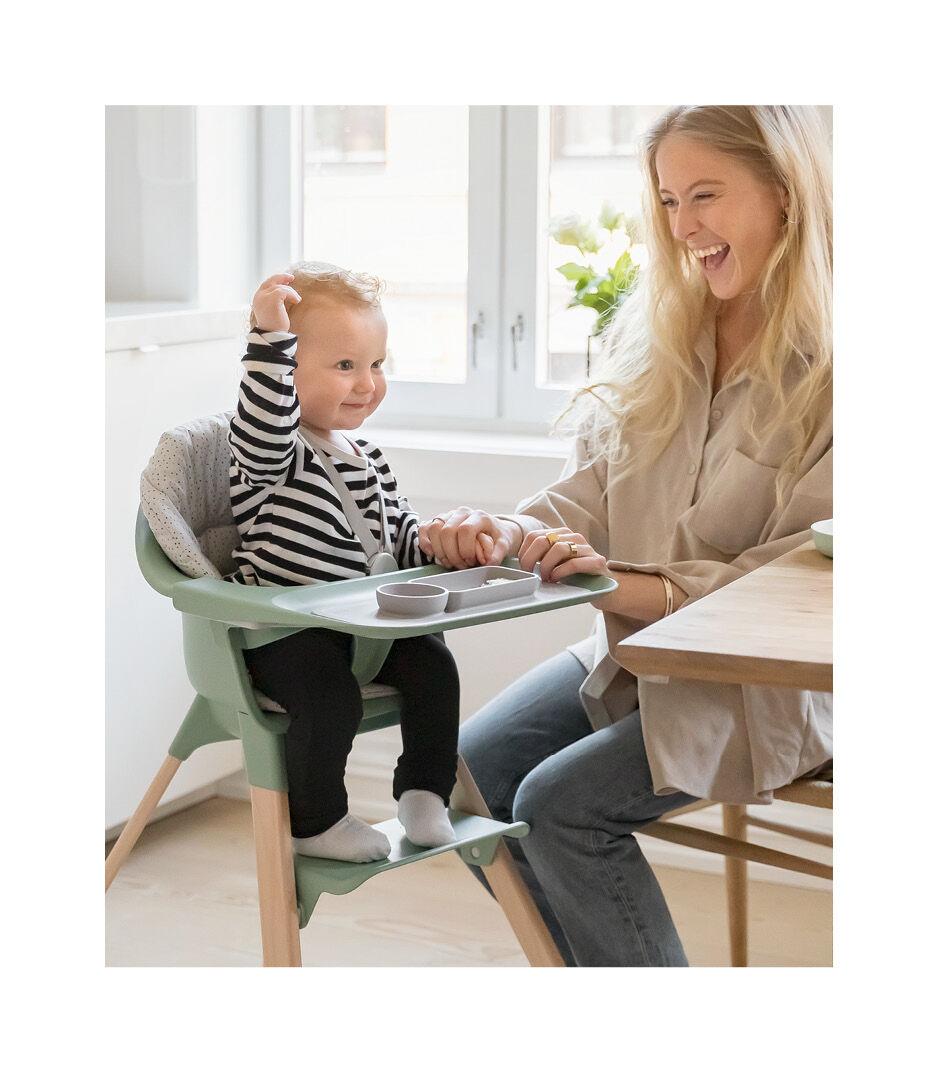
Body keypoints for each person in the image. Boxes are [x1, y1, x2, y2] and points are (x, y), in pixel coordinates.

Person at [418, 106, 833, 966]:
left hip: (772, 686)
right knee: (467, 778)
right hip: (636, 653)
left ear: (786, 193)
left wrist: (609, 582)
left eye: (706, 195)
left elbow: (799, 580)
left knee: (561, 807)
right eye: (670, 201)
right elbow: (586, 498)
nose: (684, 228)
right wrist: (507, 532)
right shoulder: (662, 342)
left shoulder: (844, 368)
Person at [229, 262, 461, 863]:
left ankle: (424, 793)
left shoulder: (367, 454)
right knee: (330, 698)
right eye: (344, 366)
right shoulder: (271, 451)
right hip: (285, 633)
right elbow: (265, 413)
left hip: (362, 628)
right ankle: (317, 822)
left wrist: (435, 543)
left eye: (376, 364)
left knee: (435, 665)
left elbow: (395, 538)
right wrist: (269, 337)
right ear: (287, 372)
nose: (367, 384)